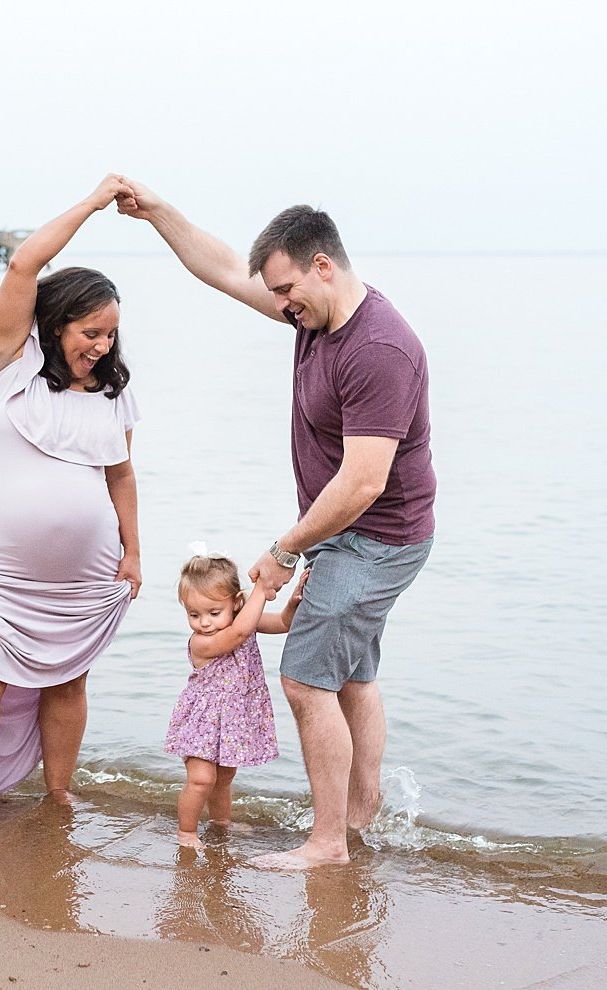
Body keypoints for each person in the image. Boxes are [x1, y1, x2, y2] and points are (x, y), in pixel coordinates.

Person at [117, 181, 436, 868]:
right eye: (278, 294)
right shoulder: (311, 314)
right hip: (352, 532)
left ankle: (328, 843)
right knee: (351, 674)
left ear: (323, 265)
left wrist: (285, 550)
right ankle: (357, 816)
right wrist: (158, 214)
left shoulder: (380, 348)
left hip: (376, 537)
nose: (281, 306)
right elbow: (228, 270)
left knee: (304, 680)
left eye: (287, 290)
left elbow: (363, 482)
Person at [0, 174, 142, 824]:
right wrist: (94, 201)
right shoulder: (6, 365)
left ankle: (59, 793)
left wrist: (134, 554)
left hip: (80, 579)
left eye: (110, 335)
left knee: (69, 682)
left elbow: (122, 477)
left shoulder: (111, 396)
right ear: (54, 324)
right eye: (89, 332)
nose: (101, 346)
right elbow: (25, 261)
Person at [166, 546, 307, 847]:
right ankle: (186, 831)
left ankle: (221, 822)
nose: (204, 622)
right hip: (202, 720)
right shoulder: (202, 642)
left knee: (224, 779)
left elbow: (283, 623)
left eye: (213, 613)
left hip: (232, 720)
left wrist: (292, 603)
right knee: (202, 779)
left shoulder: (246, 617)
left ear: (235, 603)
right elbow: (238, 635)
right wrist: (263, 586)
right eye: (194, 614)